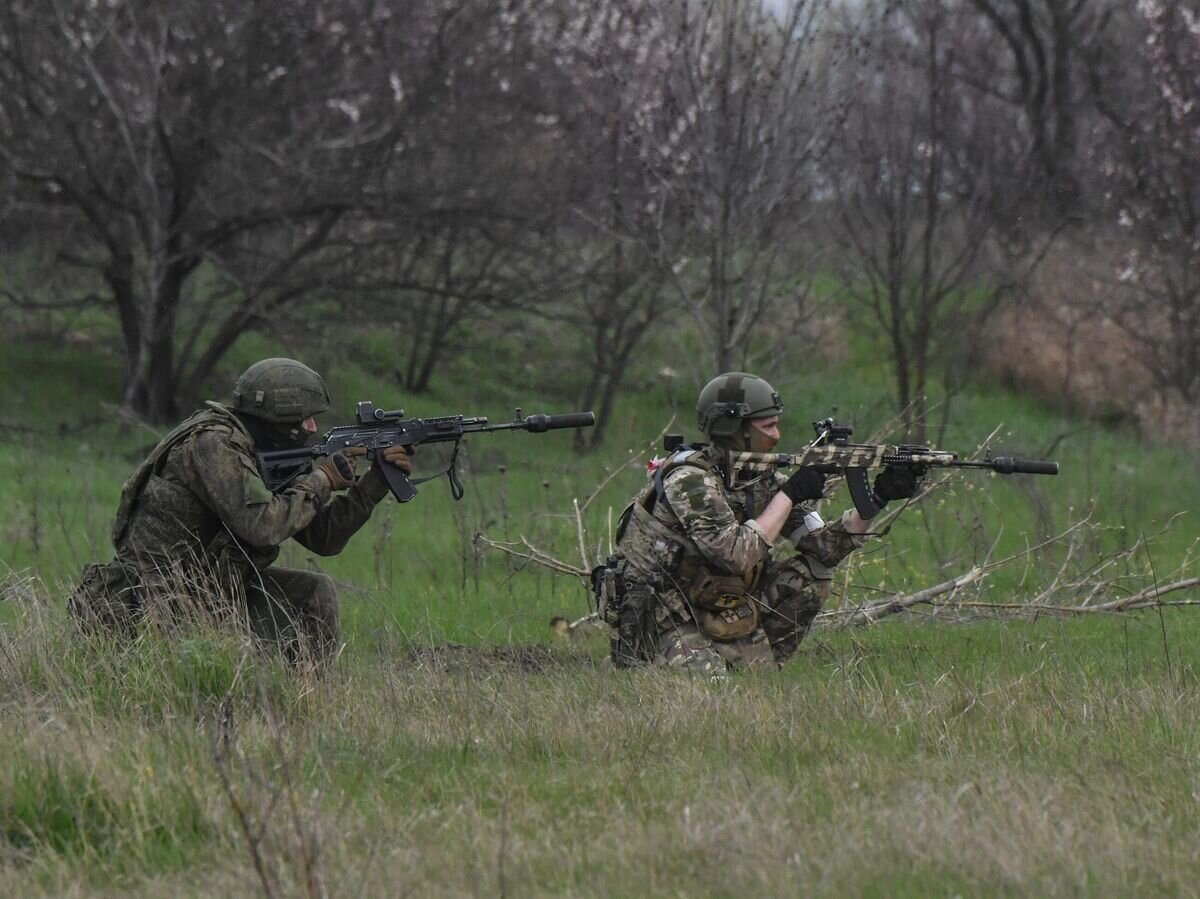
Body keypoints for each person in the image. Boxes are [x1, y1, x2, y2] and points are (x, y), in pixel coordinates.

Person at [68, 357, 411, 663]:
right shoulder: (213, 444)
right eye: (305, 418)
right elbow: (261, 526)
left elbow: (324, 539)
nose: (311, 428)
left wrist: (376, 482)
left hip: (208, 592)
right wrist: (322, 480)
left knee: (313, 594)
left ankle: (307, 705)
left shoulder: (262, 451)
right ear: (279, 416)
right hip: (154, 604)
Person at [599, 372, 923, 673]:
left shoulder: (762, 481)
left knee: (813, 576)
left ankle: (757, 663)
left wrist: (878, 499)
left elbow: (823, 549)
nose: (777, 435)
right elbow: (734, 554)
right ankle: (689, 661)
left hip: (717, 606)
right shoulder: (690, 481)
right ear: (733, 429)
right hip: (661, 616)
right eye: (767, 427)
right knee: (709, 691)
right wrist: (790, 494)